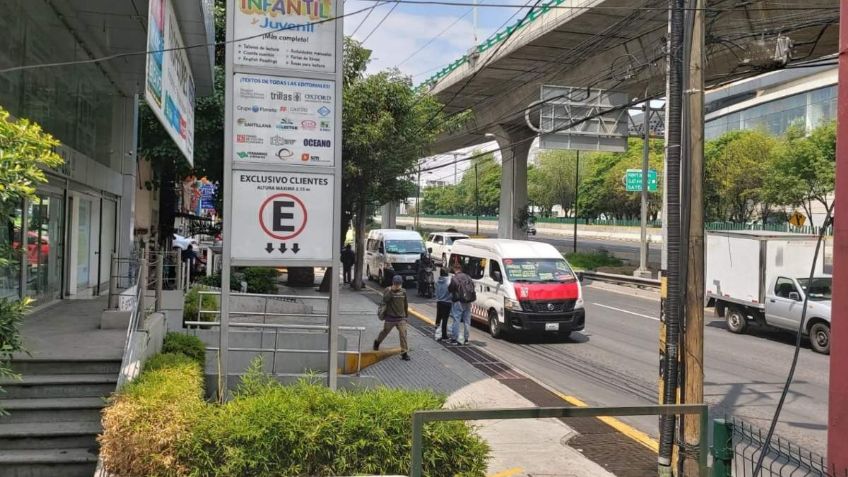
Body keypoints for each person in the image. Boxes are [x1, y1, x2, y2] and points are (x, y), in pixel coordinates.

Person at [374, 275, 411, 361]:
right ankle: (377, 342)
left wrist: (406, 315)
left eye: (399, 284)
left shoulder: (403, 291)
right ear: (393, 283)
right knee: (385, 332)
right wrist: (391, 291)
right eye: (396, 284)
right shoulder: (388, 290)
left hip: (401, 318)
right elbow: (385, 300)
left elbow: (405, 304)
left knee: (403, 334)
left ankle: (404, 353)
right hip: (390, 317)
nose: (398, 285)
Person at [448, 261, 474, 345]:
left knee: (456, 319)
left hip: (458, 301)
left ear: (455, 269)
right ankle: (466, 339)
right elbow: (473, 287)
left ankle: (454, 339)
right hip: (468, 301)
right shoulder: (468, 277)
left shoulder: (455, 278)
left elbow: (450, 289)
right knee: (467, 320)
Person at [434, 267, 452, 341]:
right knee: (445, 319)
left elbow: (436, 292)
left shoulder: (437, 281)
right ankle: (444, 335)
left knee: (438, 317)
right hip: (447, 302)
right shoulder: (449, 281)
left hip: (439, 301)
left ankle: (437, 332)